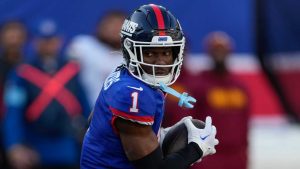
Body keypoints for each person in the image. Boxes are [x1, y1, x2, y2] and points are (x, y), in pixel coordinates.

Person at [81, 4, 219, 169]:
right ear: (129, 51)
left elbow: (95, 121)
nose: (160, 61)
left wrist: (153, 136)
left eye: (166, 53)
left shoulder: (129, 77)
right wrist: (196, 148)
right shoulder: (133, 93)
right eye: (149, 53)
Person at [3, 19, 90, 169]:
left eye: (52, 40)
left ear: (60, 40)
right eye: (43, 40)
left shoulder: (72, 69)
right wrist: (14, 145)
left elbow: (84, 105)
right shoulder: (22, 72)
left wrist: (91, 135)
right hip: (34, 144)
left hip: (67, 143)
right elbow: (13, 111)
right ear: (34, 41)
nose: (48, 44)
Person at [190, 31, 250, 169]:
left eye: (222, 50)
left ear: (229, 52)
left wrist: (245, 154)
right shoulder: (199, 85)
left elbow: (245, 123)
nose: (219, 54)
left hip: (236, 157)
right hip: (209, 156)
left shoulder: (239, 87)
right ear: (209, 53)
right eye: (215, 50)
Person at [67, 11, 126, 107]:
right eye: (111, 24)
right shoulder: (83, 46)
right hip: (85, 111)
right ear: (100, 26)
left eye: (120, 24)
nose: (115, 29)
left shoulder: (133, 56)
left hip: (120, 116)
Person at [0, 20, 27, 169]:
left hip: (23, 130)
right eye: (10, 36)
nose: (14, 41)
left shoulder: (29, 67)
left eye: (18, 36)